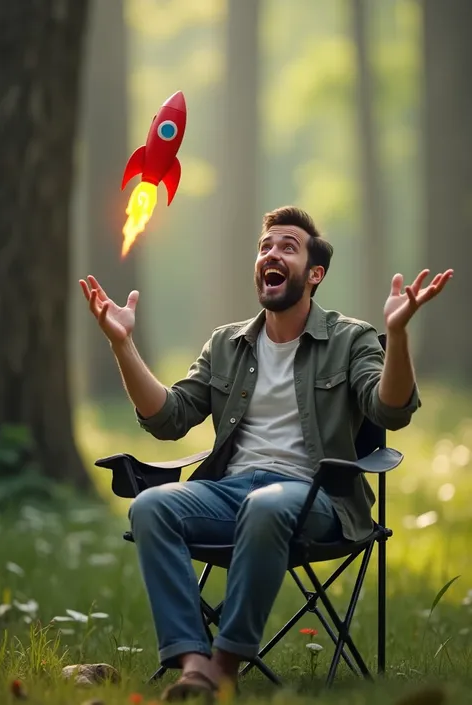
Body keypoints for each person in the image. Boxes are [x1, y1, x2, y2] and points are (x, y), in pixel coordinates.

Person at [80, 206, 452, 702]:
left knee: (267, 503)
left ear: (314, 274)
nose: (271, 254)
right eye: (265, 246)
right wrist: (123, 344)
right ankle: (193, 666)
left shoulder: (352, 338)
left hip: (318, 498)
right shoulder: (227, 344)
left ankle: (225, 666)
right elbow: (168, 419)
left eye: (288, 247)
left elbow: (391, 410)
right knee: (151, 506)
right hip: (231, 492)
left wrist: (399, 335)